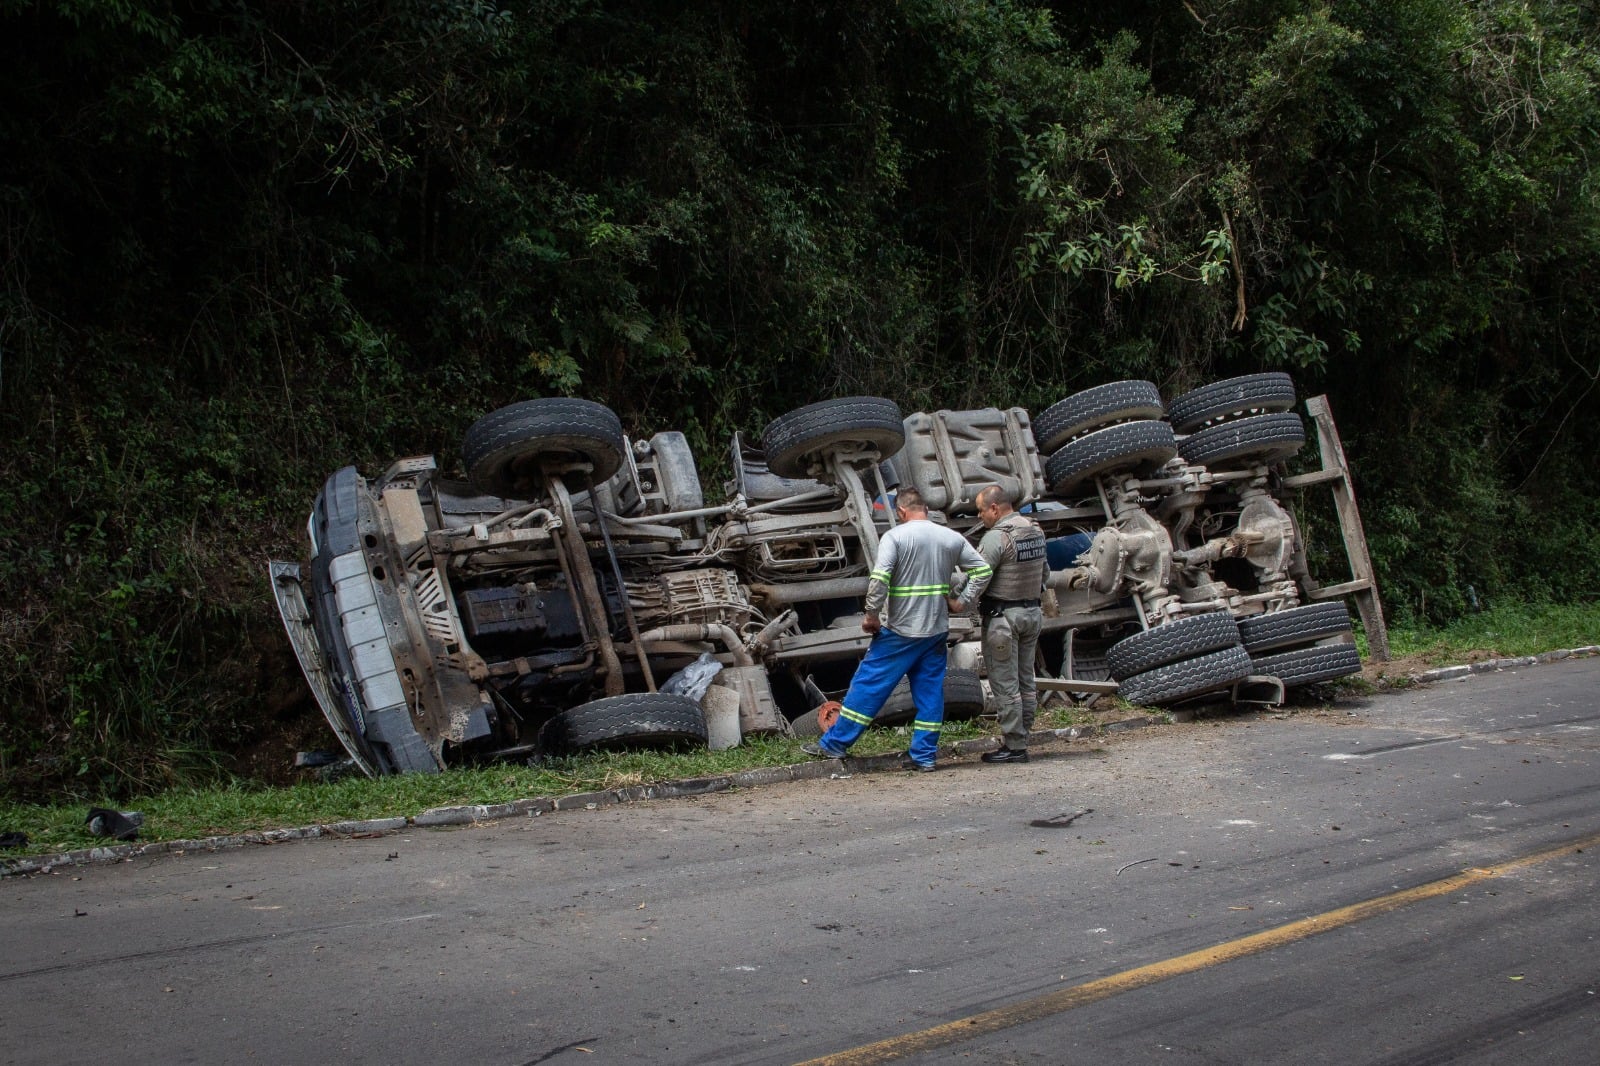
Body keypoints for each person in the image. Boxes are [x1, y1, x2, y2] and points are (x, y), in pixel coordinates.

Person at [803, 488, 992, 771]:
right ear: (925, 509)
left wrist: (871, 615)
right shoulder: (950, 537)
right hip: (935, 631)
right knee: (930, 695)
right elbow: (983, 570)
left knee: (867, 686)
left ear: (901, 511)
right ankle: (924, 756)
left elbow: (880, 578)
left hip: (900, 632)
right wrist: (961, 601)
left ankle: (835, 744)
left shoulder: (895, 537)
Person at [955, 485, 1047, 764]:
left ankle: (1015, 746)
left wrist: (961, 602)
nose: (979, 516)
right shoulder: (1034, 530)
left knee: (1005, 683)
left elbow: (979, 575)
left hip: (1003, 619)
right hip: (1032, 613)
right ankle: (1023, 735)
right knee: (1026, 680)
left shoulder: (997, 537)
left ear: (994, 509)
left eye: (981, 511)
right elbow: (1044, 573)